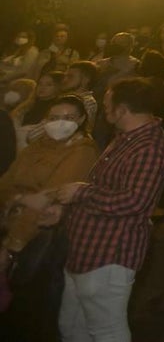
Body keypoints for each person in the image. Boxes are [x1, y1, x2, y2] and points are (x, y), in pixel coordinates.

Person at [44, 78, 164, 341]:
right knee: (72, 326)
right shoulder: (126, 138)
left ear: (123, 110)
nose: (104, 111)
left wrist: (81, 192)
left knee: (107, 330)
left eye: (107, 105)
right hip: (87, 248)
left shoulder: (148, 147)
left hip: (110, 254)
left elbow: (135, 201)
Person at [0, 95, 99, 342]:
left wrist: (13, 246)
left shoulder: (82, 151)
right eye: (54, 118)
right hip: (11, 227)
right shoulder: (36, 147)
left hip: (40, 239)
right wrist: (21, 198)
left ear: (82, 119)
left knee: (29, 312)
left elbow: (46, 202)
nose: (60, 123)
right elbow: (5, 185)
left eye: (68, 118)